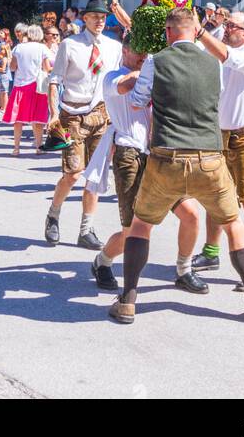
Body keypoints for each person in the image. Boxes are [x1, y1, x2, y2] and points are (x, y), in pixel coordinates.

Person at [105, 6, 244, 326]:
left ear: (168, 33)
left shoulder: (155, 60)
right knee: (234, 222)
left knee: (141, 225)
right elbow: (214, 97)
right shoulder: (215, 63)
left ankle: (127, 301)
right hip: (209, 156)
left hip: (166, 156)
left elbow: (138, 101)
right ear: (196, 32)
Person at [87, 37, 206, 297]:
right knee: (134, 230)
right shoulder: (112, 77)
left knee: (192, 215)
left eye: (146, 53)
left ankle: (184, 270)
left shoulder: (153, 74)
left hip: (159, 155)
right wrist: (153, 67)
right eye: (138, 51)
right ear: (125, 50)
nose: (142, 55)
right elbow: (128, 85)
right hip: (129, 155)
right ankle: (103, 261)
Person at [193, 12, 244, 291]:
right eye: (226, 25)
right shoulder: (223, 49)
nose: (226, 29)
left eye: (232, 26)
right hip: (221, 134)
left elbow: (221, 52)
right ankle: (211, 253)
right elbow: (199, 50)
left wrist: (201, 29)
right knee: (216, 197)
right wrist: (200, 29)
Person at [44, 0, 122, 250]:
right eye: (94, 17)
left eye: (102, 17)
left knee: (95, 176)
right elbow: (55, 79)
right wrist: (53, 112)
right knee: (73, 173)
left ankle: (86, 229)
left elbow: (117, 80)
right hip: (72, 114)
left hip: (100, 115)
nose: (99, 21)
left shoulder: (114, 47)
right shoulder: (70, 45)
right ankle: (53, 214)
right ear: (85, 18)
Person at [3, 23, 52, 155]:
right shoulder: (42, 48)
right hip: (37, 86)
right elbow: (47, 68)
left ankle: (16, 148)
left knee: (18, 120)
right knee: (38, 119)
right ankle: (38, 147)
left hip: (20, 86)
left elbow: (12, 68)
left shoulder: (18, 48)